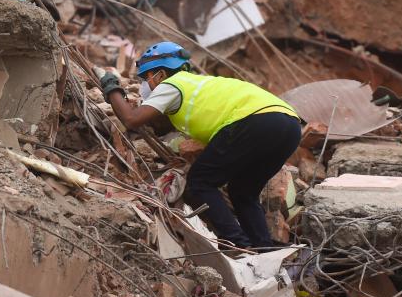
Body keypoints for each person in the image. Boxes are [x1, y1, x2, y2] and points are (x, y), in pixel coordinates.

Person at [100, 41, 301, 250]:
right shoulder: (198, 85)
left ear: (159, 75)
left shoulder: (171, 84)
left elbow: (131, 119)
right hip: (289, 125)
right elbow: (160, 123)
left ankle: (238, 245)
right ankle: (263, 249)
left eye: (146, 77)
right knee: (243, 191)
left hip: (254, 121)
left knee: (201, 181)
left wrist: (112, 87)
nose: (144, 84)